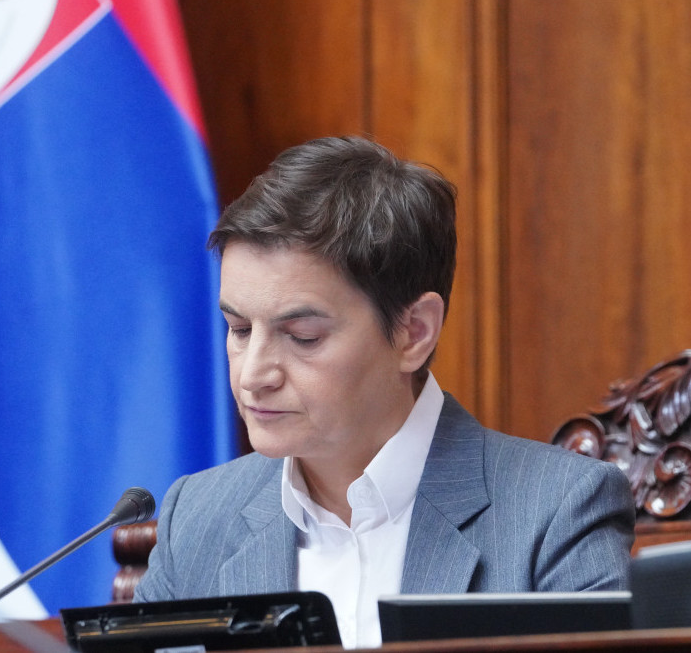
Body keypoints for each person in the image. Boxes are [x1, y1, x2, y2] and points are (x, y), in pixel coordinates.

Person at [133, 136, 634, 648]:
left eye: (302, 336)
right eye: (239, 330)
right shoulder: (197, 515)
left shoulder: (557, 510)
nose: (252, 374)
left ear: (414, 332)